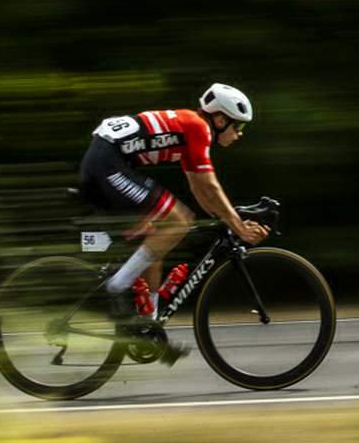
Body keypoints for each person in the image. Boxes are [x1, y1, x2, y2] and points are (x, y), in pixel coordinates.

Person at [78, 83, 269, 319]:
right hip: (107, 164)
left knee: (158, 239)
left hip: (104, 160)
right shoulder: (199, 128)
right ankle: (116, 286)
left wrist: (224, 220)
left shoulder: (190, 128)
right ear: (220, 120)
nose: (239, 133)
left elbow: (199, 187)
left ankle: (148, 323)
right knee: (179, 221)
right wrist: (238, 226)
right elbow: (210, 186)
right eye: (238, 126)